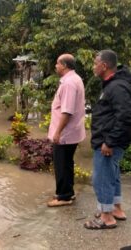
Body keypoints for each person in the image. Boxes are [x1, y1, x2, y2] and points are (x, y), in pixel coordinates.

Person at [84, 50, 131, 230]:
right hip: (110, 140)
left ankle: (106, 217)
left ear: (104, 66)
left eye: (95, 63)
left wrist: (110, 141)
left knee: (102, 178)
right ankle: (116, 209)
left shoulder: (117, 87)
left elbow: (125, 116)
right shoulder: (113, 84)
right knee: (113, 176)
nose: (93, 67)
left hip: (109, 142)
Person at [47, 54, 86, 207]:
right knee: (67, 163)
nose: (55, 66)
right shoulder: (75, 79)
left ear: (64, 65)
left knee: (61, 164)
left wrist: (57, 132)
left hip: (65, 134)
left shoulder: (69, 83)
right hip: (72, 132)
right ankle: (68, 192)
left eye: (57, 63)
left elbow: (67, 111)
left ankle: (63, 197)